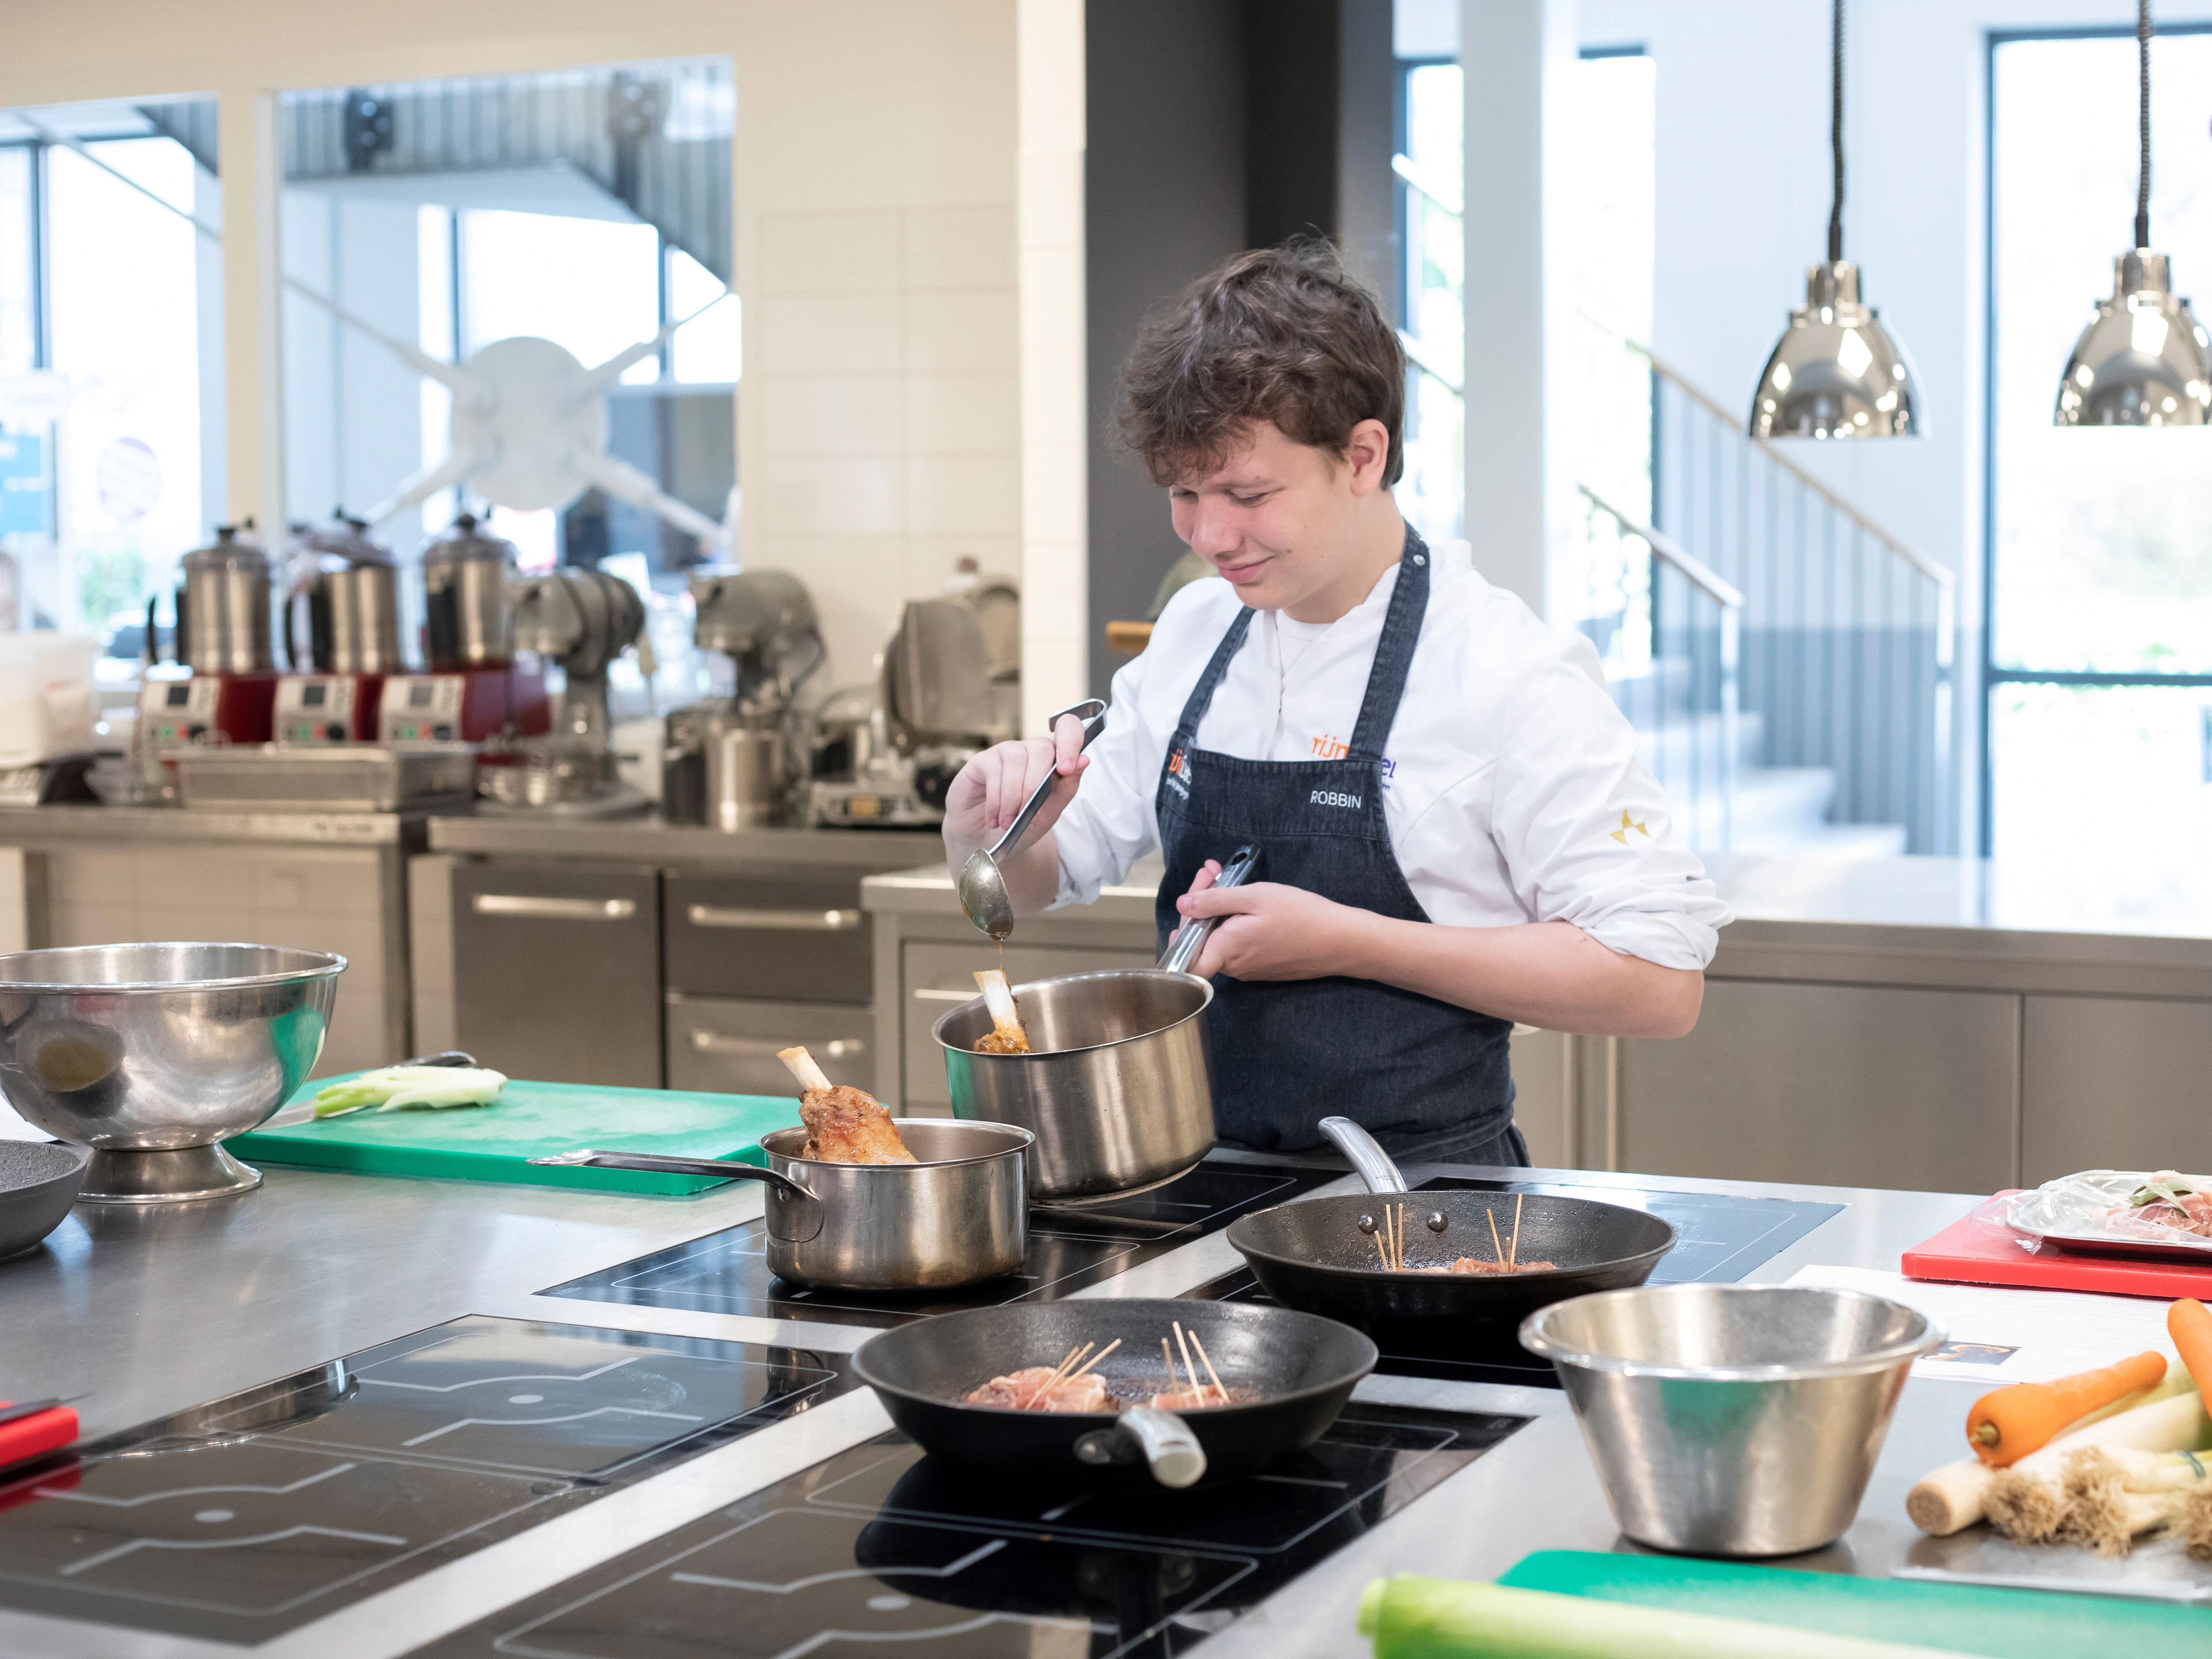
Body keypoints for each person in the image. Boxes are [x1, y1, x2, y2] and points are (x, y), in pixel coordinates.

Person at [941, 241, 1729, 1165]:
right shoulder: (1196, 631)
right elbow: (1045, 877)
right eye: (1184, 494)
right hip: (1195, 1187)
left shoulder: (1508, 671)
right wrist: (987, 831)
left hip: (1426, 1212)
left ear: (1362, 455)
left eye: (1247, 493)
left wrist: (1353, 942)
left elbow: (1657, 984)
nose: (1209, 535)